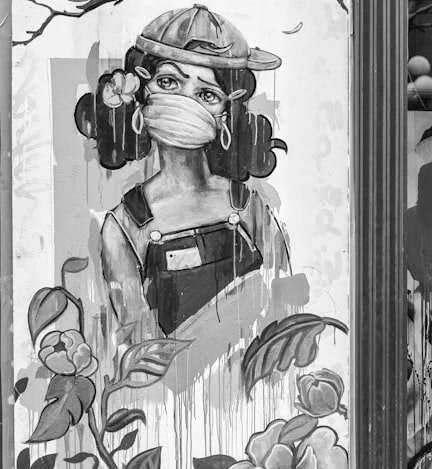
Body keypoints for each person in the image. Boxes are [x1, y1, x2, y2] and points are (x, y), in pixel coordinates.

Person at [75, 5, 289, 337]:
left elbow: (285, 305)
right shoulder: (126, 224)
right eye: (168, 81)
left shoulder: (246, 205)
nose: (185, 102)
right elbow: (138, 344)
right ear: (141, 95)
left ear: (226, 113)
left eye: (206, 93)